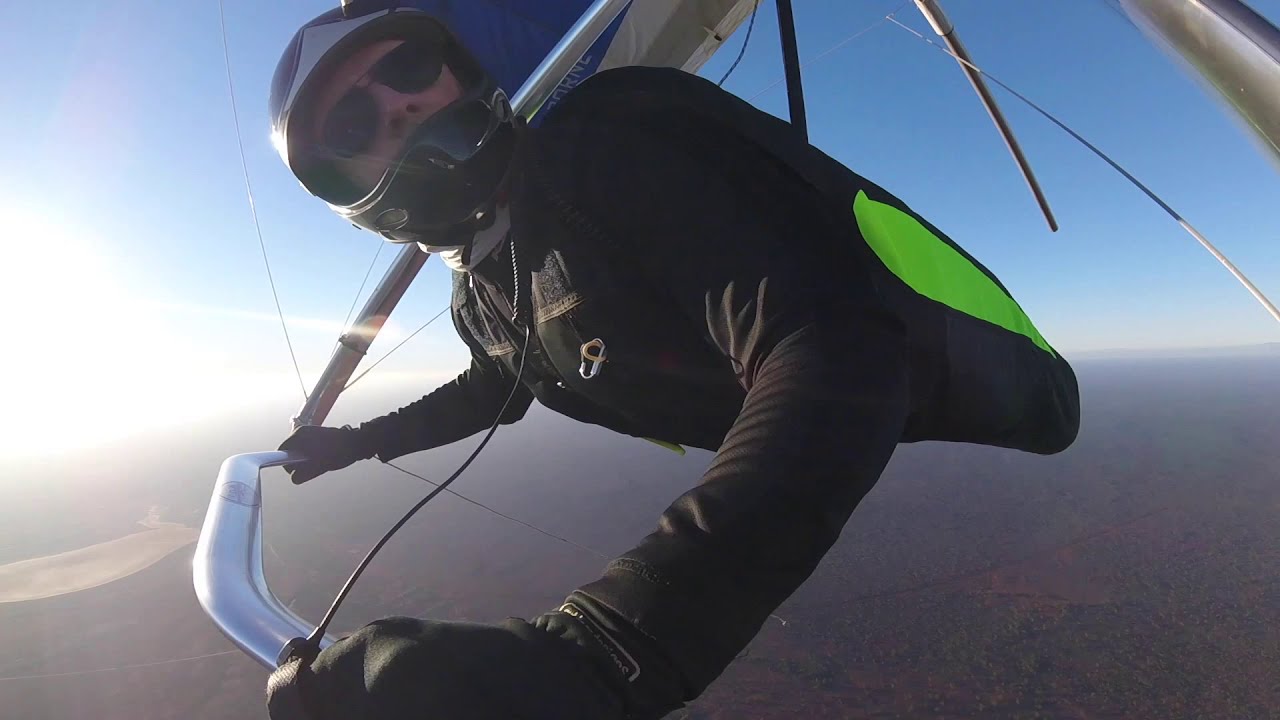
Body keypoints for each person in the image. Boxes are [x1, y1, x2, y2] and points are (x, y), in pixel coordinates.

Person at [264, 2, 1081, 718]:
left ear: (458, 71)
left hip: (963, 359)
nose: (400, 102)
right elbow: (498, 385)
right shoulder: (483, 289)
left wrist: (610, 647)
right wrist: (358, 442)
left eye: (408, 65)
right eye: (351, 124)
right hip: (839, 407)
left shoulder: (610, 143)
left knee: (1036, 411)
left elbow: (829, 340)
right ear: (346, 188)